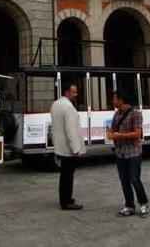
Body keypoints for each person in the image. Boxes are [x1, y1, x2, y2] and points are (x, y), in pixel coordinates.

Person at [108, 91, 149, 218]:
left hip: (133, 153)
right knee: (124, 181)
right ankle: (129, 205)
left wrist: (119, 135)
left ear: (121, 100)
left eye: (115, 99)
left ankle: (144, 204)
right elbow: (112, 129)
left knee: (135, 179)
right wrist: (111, 133)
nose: (113, 102)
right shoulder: (116, 114)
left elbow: (137, 134)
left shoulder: (135, 113)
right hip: (120, 153)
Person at [50, 81, 84, 210]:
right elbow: (70, 130)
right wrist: (76, 148)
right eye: (73, 92)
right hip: (68, 147)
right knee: (68, 176)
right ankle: (67, 201)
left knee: (64, 175)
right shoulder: (68, 107)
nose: (76, 94)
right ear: (66, 92)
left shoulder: (56, 104)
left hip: (60, 146)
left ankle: (64, 199)